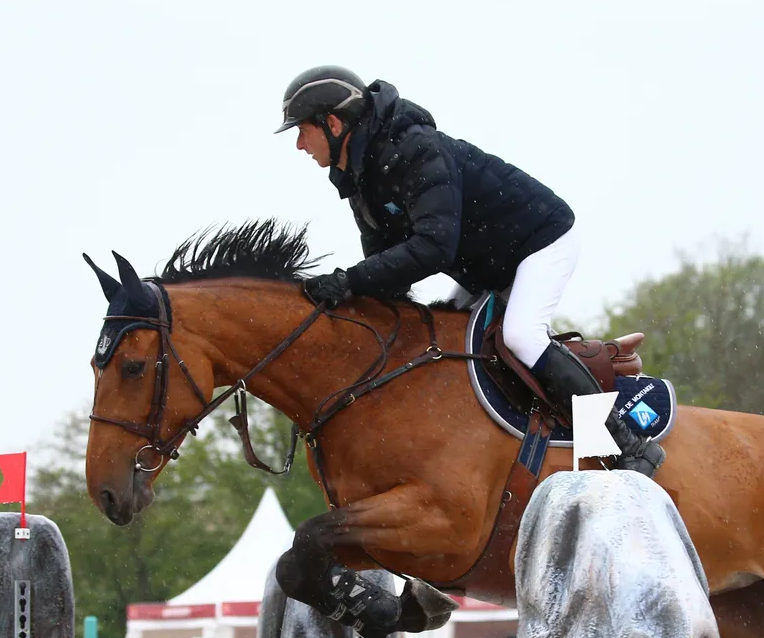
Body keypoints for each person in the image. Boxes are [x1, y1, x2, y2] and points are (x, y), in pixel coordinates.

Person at [275, 65, 664, 477]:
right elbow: (387, 275)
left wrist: (349, 280)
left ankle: (628, 445)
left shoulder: (414, 149)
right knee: (436, 339)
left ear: (333, 123)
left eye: (302, 130)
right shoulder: (360, 179)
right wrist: (342, 301)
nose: (299, 144)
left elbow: (433, 248)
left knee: (520, 336)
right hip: (487, 269)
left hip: (541, 242)